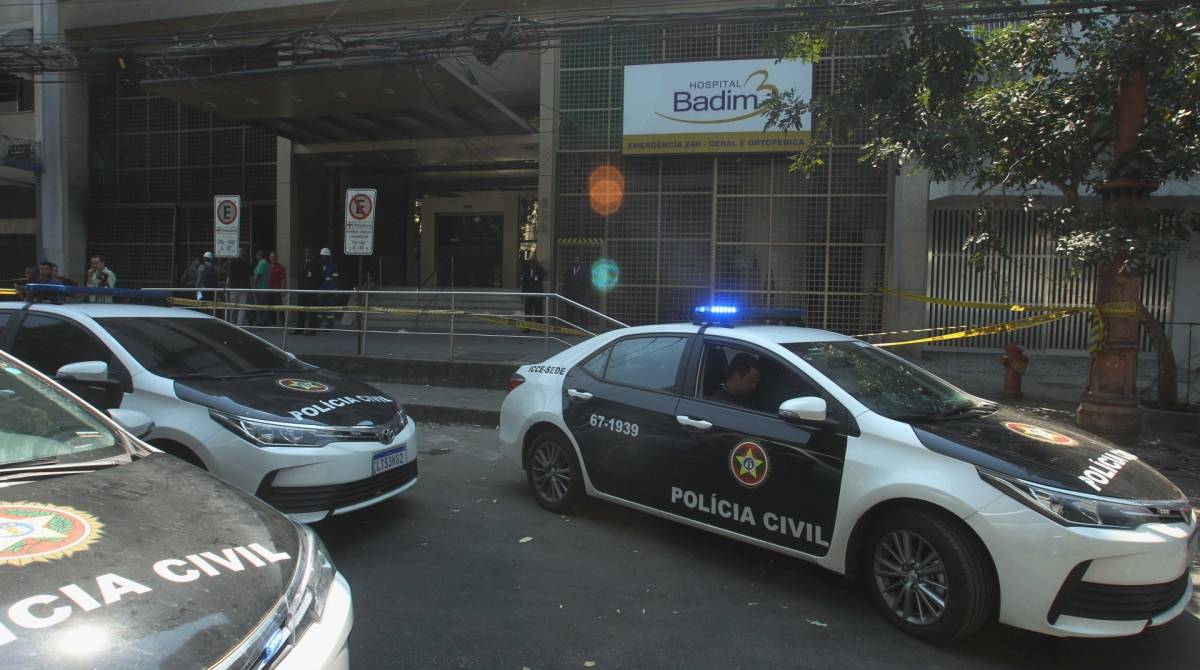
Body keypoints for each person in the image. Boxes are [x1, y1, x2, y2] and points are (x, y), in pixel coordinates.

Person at [294, 248, 321, 335]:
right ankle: (299, 329)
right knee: (301, 310)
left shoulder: (316, 263)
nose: (306, 254)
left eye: (308, 252)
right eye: (305, 252)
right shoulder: (302, 262)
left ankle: (312, 330)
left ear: (311, 254)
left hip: (312, 291)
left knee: (312, 311)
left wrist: (316, 288)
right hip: (302, 290)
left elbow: (321, 278)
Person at [224, 251, 252, 325]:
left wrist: (227, 286)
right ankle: (240, 323)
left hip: (233, 287)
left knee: (232, 305)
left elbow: (228, 276)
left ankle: (230, 321)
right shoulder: (247, 262)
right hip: (244, 287)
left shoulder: (231, 262)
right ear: (242, 254)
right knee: (242, 306)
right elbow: (251, 276)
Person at [521, 258, 547, 330]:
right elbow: (524, 283)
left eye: (533, 262)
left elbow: (545, 273)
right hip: (529, 294)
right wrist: (523, 294)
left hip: (538, 294)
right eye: (530, 263)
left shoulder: (539, 270)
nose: (532, 264)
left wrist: (540, 266)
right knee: (528, 312)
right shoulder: (526, 271)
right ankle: (528, 327)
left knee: (538, 312)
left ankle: (539, 328)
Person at [317, 248, 339, 330]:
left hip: (330, 289)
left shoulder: (333, 266)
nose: (324, 258)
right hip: (320, 289)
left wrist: (330, 289)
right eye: (323, 256)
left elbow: (335, 279)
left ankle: (330, 324)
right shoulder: (318, 266)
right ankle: (317, 323)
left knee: (330, 307)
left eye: (326, 256)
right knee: (319, 308)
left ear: (329, 257)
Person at [251, 250, 271, 326]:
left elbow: (259, 275)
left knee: (259, 305)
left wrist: (254, 286)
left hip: (260, 288)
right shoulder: (267, 264)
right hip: (265, 287)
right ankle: (264, 320)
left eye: (257, 255)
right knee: (264, 305)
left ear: (260, 255)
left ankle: (261, 321)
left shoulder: (262, 263)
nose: (256, 256)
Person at [268, 252, 286, 326]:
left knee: (279, 306)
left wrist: (283, 290)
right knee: (271, 306)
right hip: (268, 289)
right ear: (269, 258)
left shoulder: (280, 268)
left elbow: (283, 279)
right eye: (271, 257)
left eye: (274, 257)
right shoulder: (268, 266)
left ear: (277, 258)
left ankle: (283, 321)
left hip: (277, 289)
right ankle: (273, 321)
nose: (273, 258)